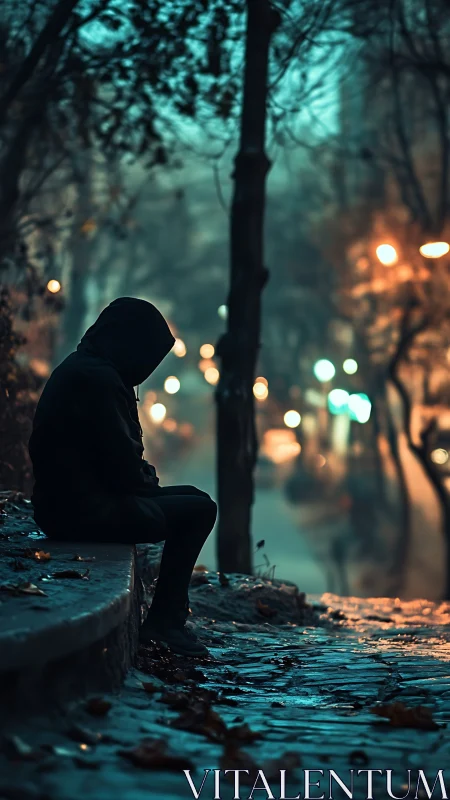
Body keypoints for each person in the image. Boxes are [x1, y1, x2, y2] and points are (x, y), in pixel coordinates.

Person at [28, 297, 217, 657]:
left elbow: (123, 465)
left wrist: (146, 484)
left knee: (195, 498)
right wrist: (147, 484)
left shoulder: (89, 369)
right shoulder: (97, 380)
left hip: (75, 502)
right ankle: (166, 623)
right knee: (198, 512)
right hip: (82, 512)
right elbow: (125, 470)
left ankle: (168, 618)